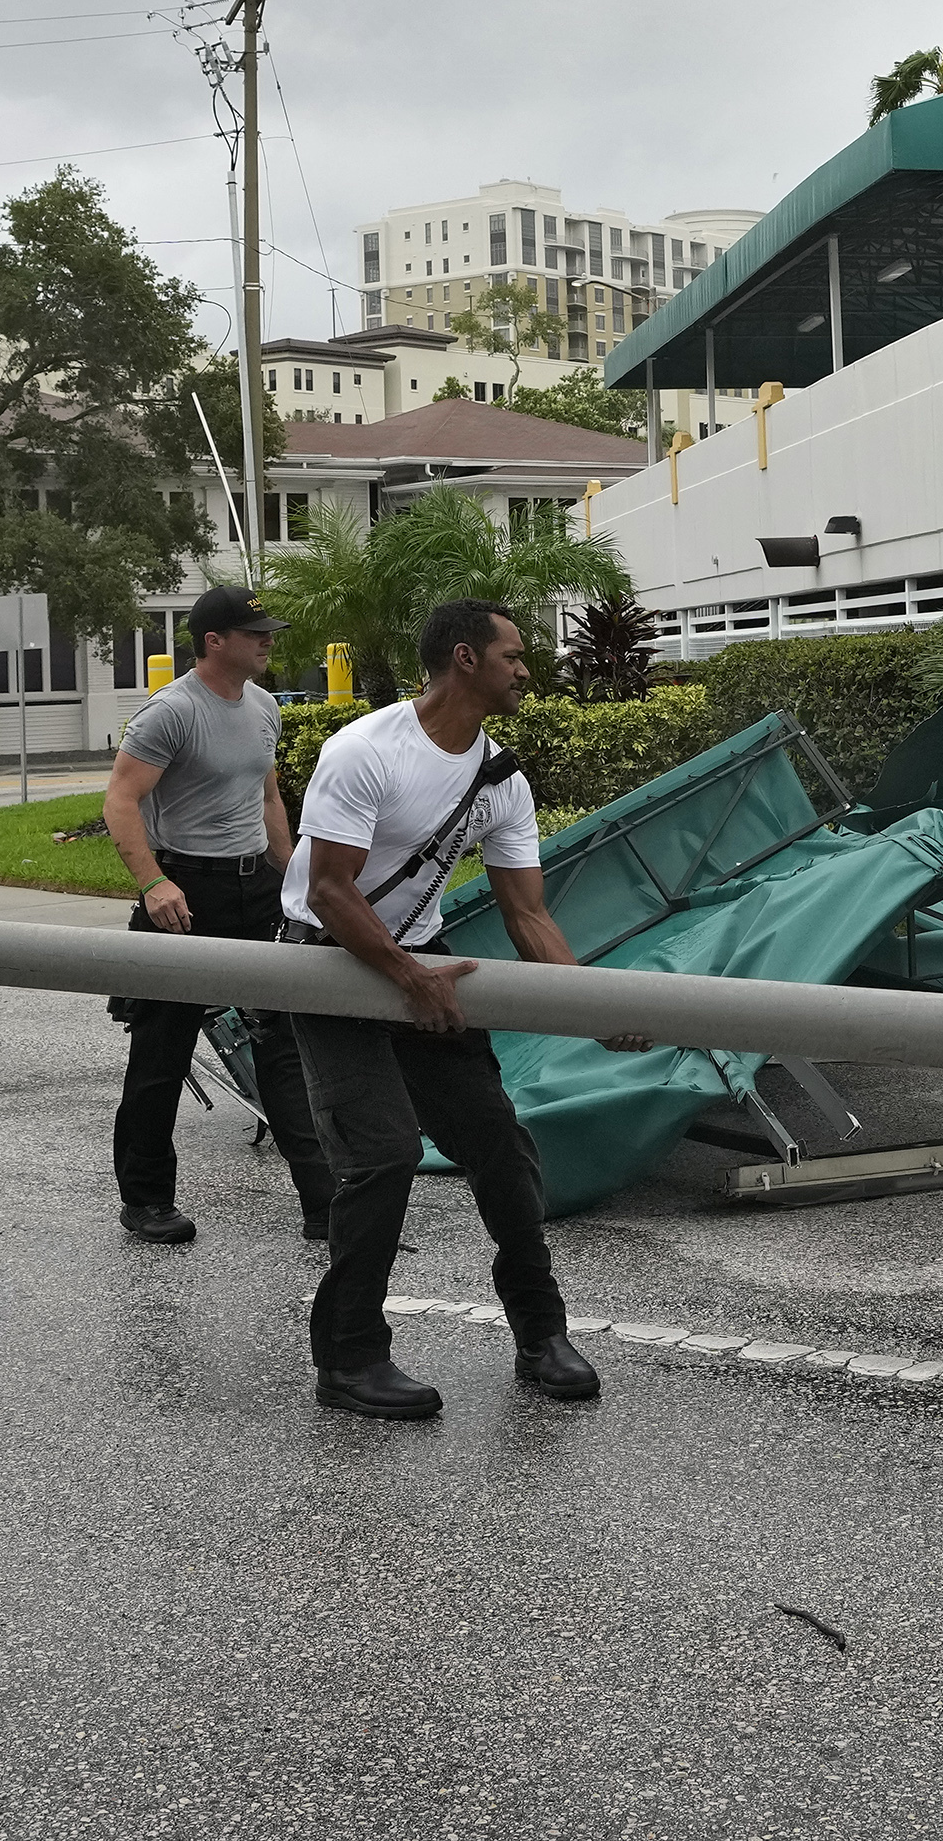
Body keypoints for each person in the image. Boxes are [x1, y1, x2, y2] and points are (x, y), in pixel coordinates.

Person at [278, 597, 609, 1420]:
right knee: (384, 1153)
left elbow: (528, 915)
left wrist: (598, 1008)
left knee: (499, 1142)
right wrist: (407, 976)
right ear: (466, 658)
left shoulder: (502, 779)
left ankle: (542, 1335)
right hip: (328, 966)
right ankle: (350, 1358)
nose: (525, 670)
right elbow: (328, 891)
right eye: (513, 656)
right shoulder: (366, 752)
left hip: (417, 964)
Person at [99, 584, 331, 1246]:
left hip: (254, 889)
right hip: (185, 893)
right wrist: (153, 883)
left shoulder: (263, 707)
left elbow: (267, 799)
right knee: (161, 1057)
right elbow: (120, 801)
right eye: (256, 634)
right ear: (214, 642)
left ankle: (325, 1206)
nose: (268, 642)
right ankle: (146, 1201)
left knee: (283, 1049)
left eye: (269, 633)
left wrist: (293, 880)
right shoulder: (171, 713)